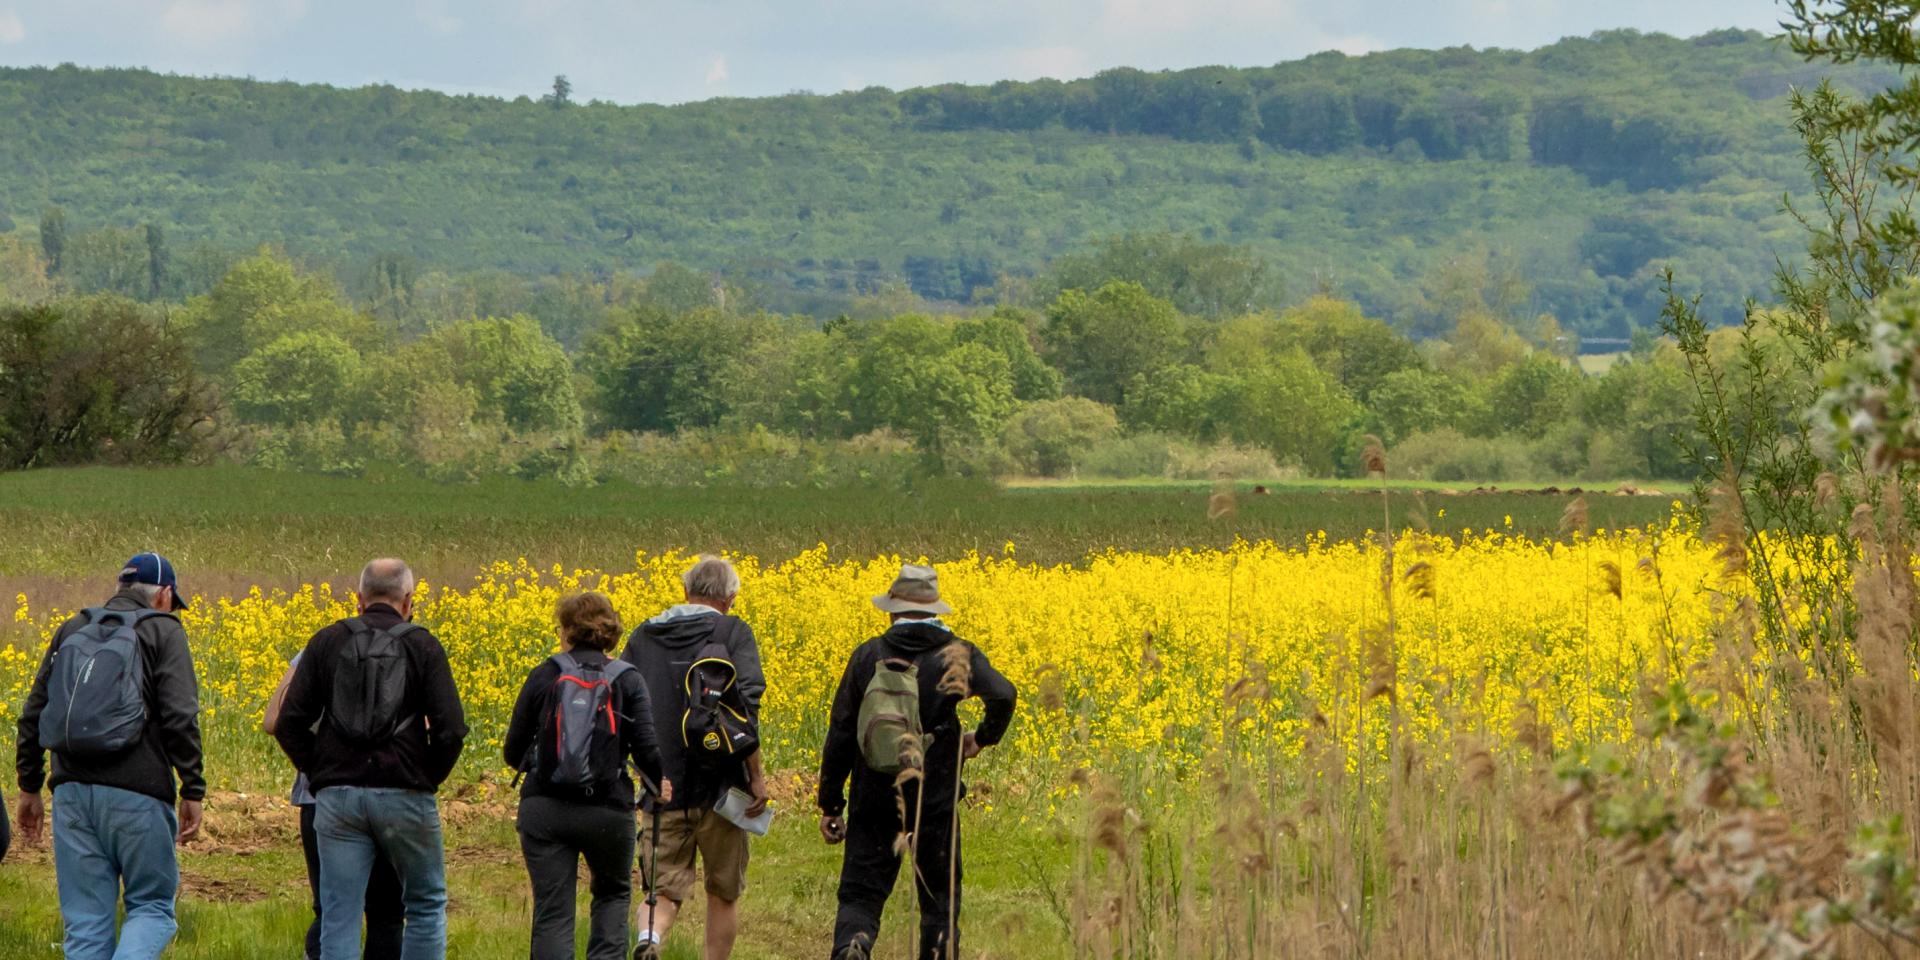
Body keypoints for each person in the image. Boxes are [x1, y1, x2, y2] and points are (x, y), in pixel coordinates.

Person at [817, 563, 1017, 960]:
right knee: (938, 898)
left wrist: (830, 803)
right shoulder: (957, 655)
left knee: (861, 892)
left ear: (892, 610)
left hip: (874, 793)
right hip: (935, 796)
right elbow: (1004, 695)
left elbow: (841, 731)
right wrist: (981, 738)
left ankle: (853, 945)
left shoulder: (868, 655)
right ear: (935, 611)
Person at [13, 552, 205, 960]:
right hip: (138, 794)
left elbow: (32, 714)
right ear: (164, 594)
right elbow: (180, 716)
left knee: (85, 925)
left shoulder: (74, 627)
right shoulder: (163, 631)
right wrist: (193, 789)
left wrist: (29, 787)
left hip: (71, 795)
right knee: (152, 909)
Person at [274, 558, 467, 960]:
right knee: (425, 905)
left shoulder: (327, 641)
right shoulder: (422, 644)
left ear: (358, 600)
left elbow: (289, 723)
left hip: (337, 797)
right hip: (405, 792)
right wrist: (425, 777)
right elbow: (450, 729)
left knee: (339, 913)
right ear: (408, 600)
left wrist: (321, 772)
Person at [504, 592, 670, 960]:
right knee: (611, 895)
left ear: (566, 631)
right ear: (611, 632)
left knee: (553, 910)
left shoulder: (545, 673)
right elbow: (647, 747)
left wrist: (545, 764)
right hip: (608, 811)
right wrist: (658, 786)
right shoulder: (628, 679)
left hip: (545, 809)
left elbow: (512, 751)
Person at [620, 555, 768, 960]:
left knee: (661, 889)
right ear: (731, 598)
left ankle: (650, 939)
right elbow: (746, 712)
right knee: (723, 892)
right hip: (723, 786)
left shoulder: (644, 635)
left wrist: (642, 772)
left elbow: (624, 708)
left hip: (662, 786)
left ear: (686, 591)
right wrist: (756, 777)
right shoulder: (734, 631)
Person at [265, 651, 404, 960]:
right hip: (387, 796)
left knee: (331, 909)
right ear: (406, 604)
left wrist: (316, 768)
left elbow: (274, 720)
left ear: (358, 602)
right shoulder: (406, 648)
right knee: (387, 914)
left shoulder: (318, 650)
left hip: (320, 799)